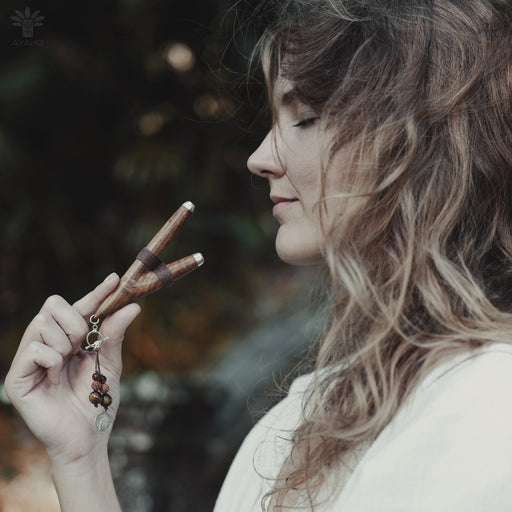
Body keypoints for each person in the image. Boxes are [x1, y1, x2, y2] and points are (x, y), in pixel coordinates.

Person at [5, 0, 512, 510]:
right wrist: (81, 457)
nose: (259, 158)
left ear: (420, 144)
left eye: (306, 117)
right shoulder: (296, 420)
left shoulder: (487, 406)